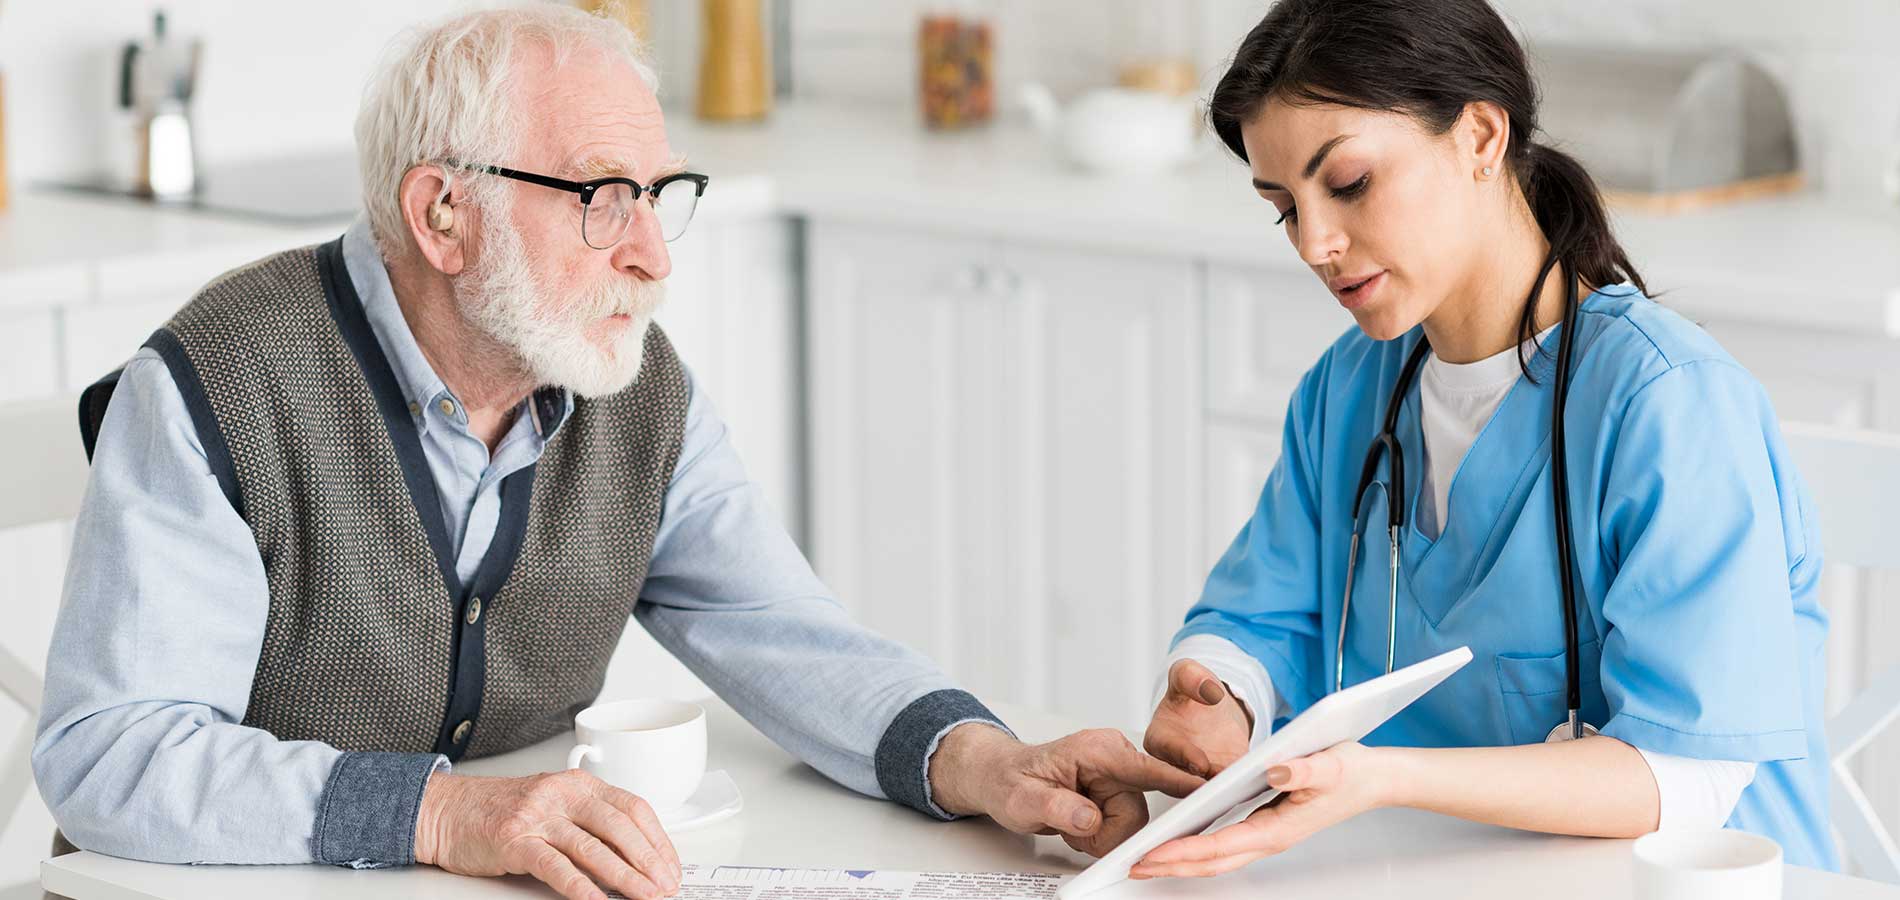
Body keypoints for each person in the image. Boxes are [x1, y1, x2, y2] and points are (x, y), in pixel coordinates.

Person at [32, 8, 1199, 900]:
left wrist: (981, 761)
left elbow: (782, 630)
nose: (653, 255)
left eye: (658, 195)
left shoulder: (631, 394)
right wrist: (444, 817)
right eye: (600, 196)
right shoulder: (214, 387)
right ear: (443, 215)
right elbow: (110, 755)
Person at [1137, 0, 1835, 880]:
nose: (1315, 243)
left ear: (1479, 136)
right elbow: (1261, 618)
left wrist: (1378, 778)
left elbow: (1686, 779)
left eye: (1347, 182)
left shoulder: (1670, 405)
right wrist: (1212, 691)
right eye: (1283, 207)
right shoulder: (1351, 391)